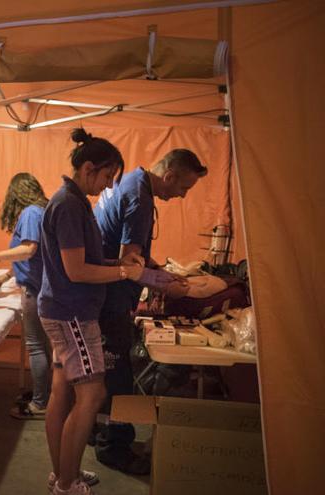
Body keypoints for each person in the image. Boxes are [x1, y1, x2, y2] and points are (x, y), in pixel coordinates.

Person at [40, 128, 144, 495]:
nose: (108, 185)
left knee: (63, 393)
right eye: (106, 177)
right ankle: (67, 483)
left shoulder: (73, 200)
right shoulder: (69, 204)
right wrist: (122, 272)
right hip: (72, 314)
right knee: (92, 394)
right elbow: (76, 271)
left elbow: (83, 260)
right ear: (88, 168)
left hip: (64, 309)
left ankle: (63, 474)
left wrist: (118, 261)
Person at [92, 149, 208, 474]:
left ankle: (92, 430)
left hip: (100, 292)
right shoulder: (140, 198)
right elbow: (129, 266)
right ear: (169, 176)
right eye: (183, 187)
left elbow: (134, 256)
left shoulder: (129, 181)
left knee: (100, 367)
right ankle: (114, 446)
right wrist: (164, 284)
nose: (182, 195)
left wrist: (160, 270)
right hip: (110, 295)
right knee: (118, 372)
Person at [0, 173, 51, 420]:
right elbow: (32, 256)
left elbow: (29, 249)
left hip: (36, 291)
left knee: (36, 347)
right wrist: (8, 275)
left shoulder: (31, 213)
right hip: (39, 287)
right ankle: (42, 393)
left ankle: (39, 404)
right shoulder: (39, 211)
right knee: (42, 347)